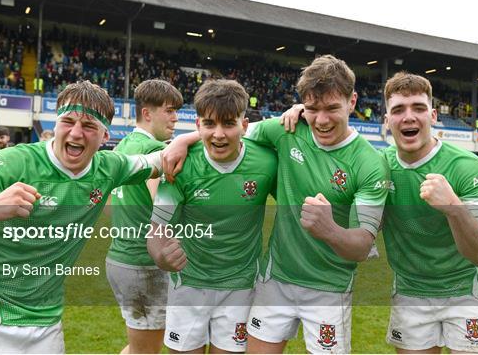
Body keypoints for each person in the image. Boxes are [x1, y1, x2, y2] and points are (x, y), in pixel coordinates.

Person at [162, 55, 389, 353]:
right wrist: (184, 139)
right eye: (312, 108)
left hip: (329, 290)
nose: (321, 120)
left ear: (352, 101)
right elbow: (228, 130)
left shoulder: (370, 163)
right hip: (275, 280)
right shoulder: (285, 129)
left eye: (332, 108)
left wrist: (329, 229)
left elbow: (361, 247)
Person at [0, 80, 163, 354]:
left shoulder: (108, 167)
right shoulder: (13, 162)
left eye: (89, 126)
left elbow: (158, 162)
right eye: (68, 121)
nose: (76, 133)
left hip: (48, 326)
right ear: (55, 123)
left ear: (105, 136)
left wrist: (201, 137)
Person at [147, 79, 277, 353]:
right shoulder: (181, 164)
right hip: (188, 284)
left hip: (239, 286)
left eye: (229, 123)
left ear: (244, 126)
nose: (219, 134)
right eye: (209, 124)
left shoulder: (266, 162)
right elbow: (157, 227)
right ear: (198, 125)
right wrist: (161, 255)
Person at [381, 72, 478, 353]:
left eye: (418, 108)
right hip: (410, 294)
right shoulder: (378, 167)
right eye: (398, 110)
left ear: (433, 116)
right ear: (386, 121)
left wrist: (454, 209)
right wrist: (301, 113)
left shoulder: (469, 168)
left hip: (466, 294)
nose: (409, 117)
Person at [106, 79, 183, 354]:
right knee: (146, 351)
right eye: (170, 111)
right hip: (143, 265)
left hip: (122, 259)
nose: (175, 118)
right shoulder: (154, 152)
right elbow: (163, 207)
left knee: (140, 348)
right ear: (147, 113)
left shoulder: (125, 144)